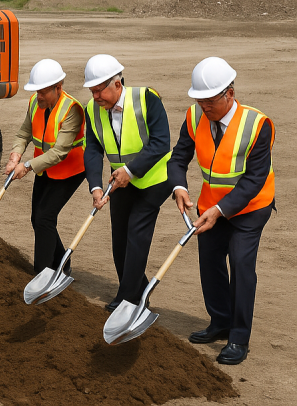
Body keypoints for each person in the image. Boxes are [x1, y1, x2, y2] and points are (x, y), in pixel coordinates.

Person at [167, 57, 274, 365]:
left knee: (241, 264)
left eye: (210, 100)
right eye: (199, 100)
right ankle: (221, 322)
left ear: (230, 92)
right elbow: (178, 159)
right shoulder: (193, 116)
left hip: (251, 208)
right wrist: (179, 188)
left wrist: (220, 210)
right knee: (210, 262)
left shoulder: (258, 125)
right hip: (209, 205)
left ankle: (239, 337)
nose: (204, 107)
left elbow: (254, 179)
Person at [82, 54, 172, 313]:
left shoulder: (147, 99)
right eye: (92, 91)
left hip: (154, 180)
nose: (95, 96)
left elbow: (161, 142)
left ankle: (128, 299)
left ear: (117, 84)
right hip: (119, 182)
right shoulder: (92, 109)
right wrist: (95, 186)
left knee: (136, 235)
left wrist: (131, 171)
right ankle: (135, 288)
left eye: (99, 90)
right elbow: (93, 148)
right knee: (119, 239)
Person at [5, 59, 86, 274]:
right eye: (36, 91)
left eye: (43, 92)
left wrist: (27, 166)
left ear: (58, 88)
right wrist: (15, 156)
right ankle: (62, 263)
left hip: (70, 170)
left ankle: (41, 272)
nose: (38, 96)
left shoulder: (72, 110)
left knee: (44, 218)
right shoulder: (35, 102)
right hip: (44, 168)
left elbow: (59, 152)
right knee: (38, 219)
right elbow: (24, 133)